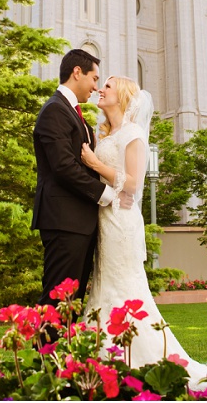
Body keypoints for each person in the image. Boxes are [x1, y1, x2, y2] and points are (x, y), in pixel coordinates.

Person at [81, 75, 207, 378]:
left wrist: (94, 163)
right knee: (104, 284)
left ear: (122, 96)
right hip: (106, 219)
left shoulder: (133, 133)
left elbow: (134, 184)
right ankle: (103, 357)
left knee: (123, 288)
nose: (102, 89)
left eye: (108, 86)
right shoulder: (108, 133)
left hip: (121, 224)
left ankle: (136, 358)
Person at [31, 48, 117, 306]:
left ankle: (65, 347)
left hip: (79, 222)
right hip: (63, 221)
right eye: (94, 78)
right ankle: (48, 348)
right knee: (58, 297)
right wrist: (106, 194)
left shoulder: (75, 115)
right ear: (77, 72)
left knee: (73, 301)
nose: (96, 86)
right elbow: (64, 167)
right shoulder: (54, 110)